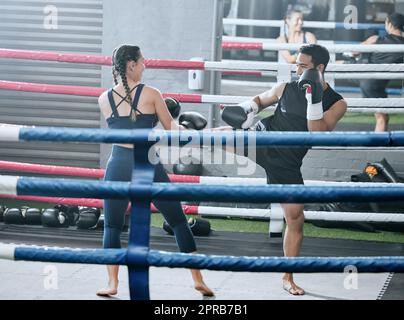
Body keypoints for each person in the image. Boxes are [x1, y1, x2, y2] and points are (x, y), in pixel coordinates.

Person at [221, 44, 348, 295]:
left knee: (296, 219)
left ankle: (287, 277)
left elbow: (318, 133)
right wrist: (247, 108)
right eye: (297, 64)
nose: (297, 69)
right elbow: (261, 99)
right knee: (216, 137)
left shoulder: (337, 103)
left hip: (286, 163)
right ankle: (176, 133)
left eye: (303, 65)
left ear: (319, 68)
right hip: (261, 140)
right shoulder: (286, 87)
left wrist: (313, 98)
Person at [96, 44, 214, 297]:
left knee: (113, 226)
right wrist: (189, 129)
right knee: (179, 221)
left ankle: (112, 284)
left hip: (117, 164)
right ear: (131, 65)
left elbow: (125, 127)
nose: (145, 65)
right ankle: (198, 279)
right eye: (142, 62)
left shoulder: (103, 99)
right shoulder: (151, 93)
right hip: (146, 163)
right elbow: (172, 132)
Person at [357, 13, 404, 132]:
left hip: (365, 77)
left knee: (382, 117)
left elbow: (353, 51)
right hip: (375, 83)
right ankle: (377, 146)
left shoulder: (375, 39)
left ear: (389, 24)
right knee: (382, 117)